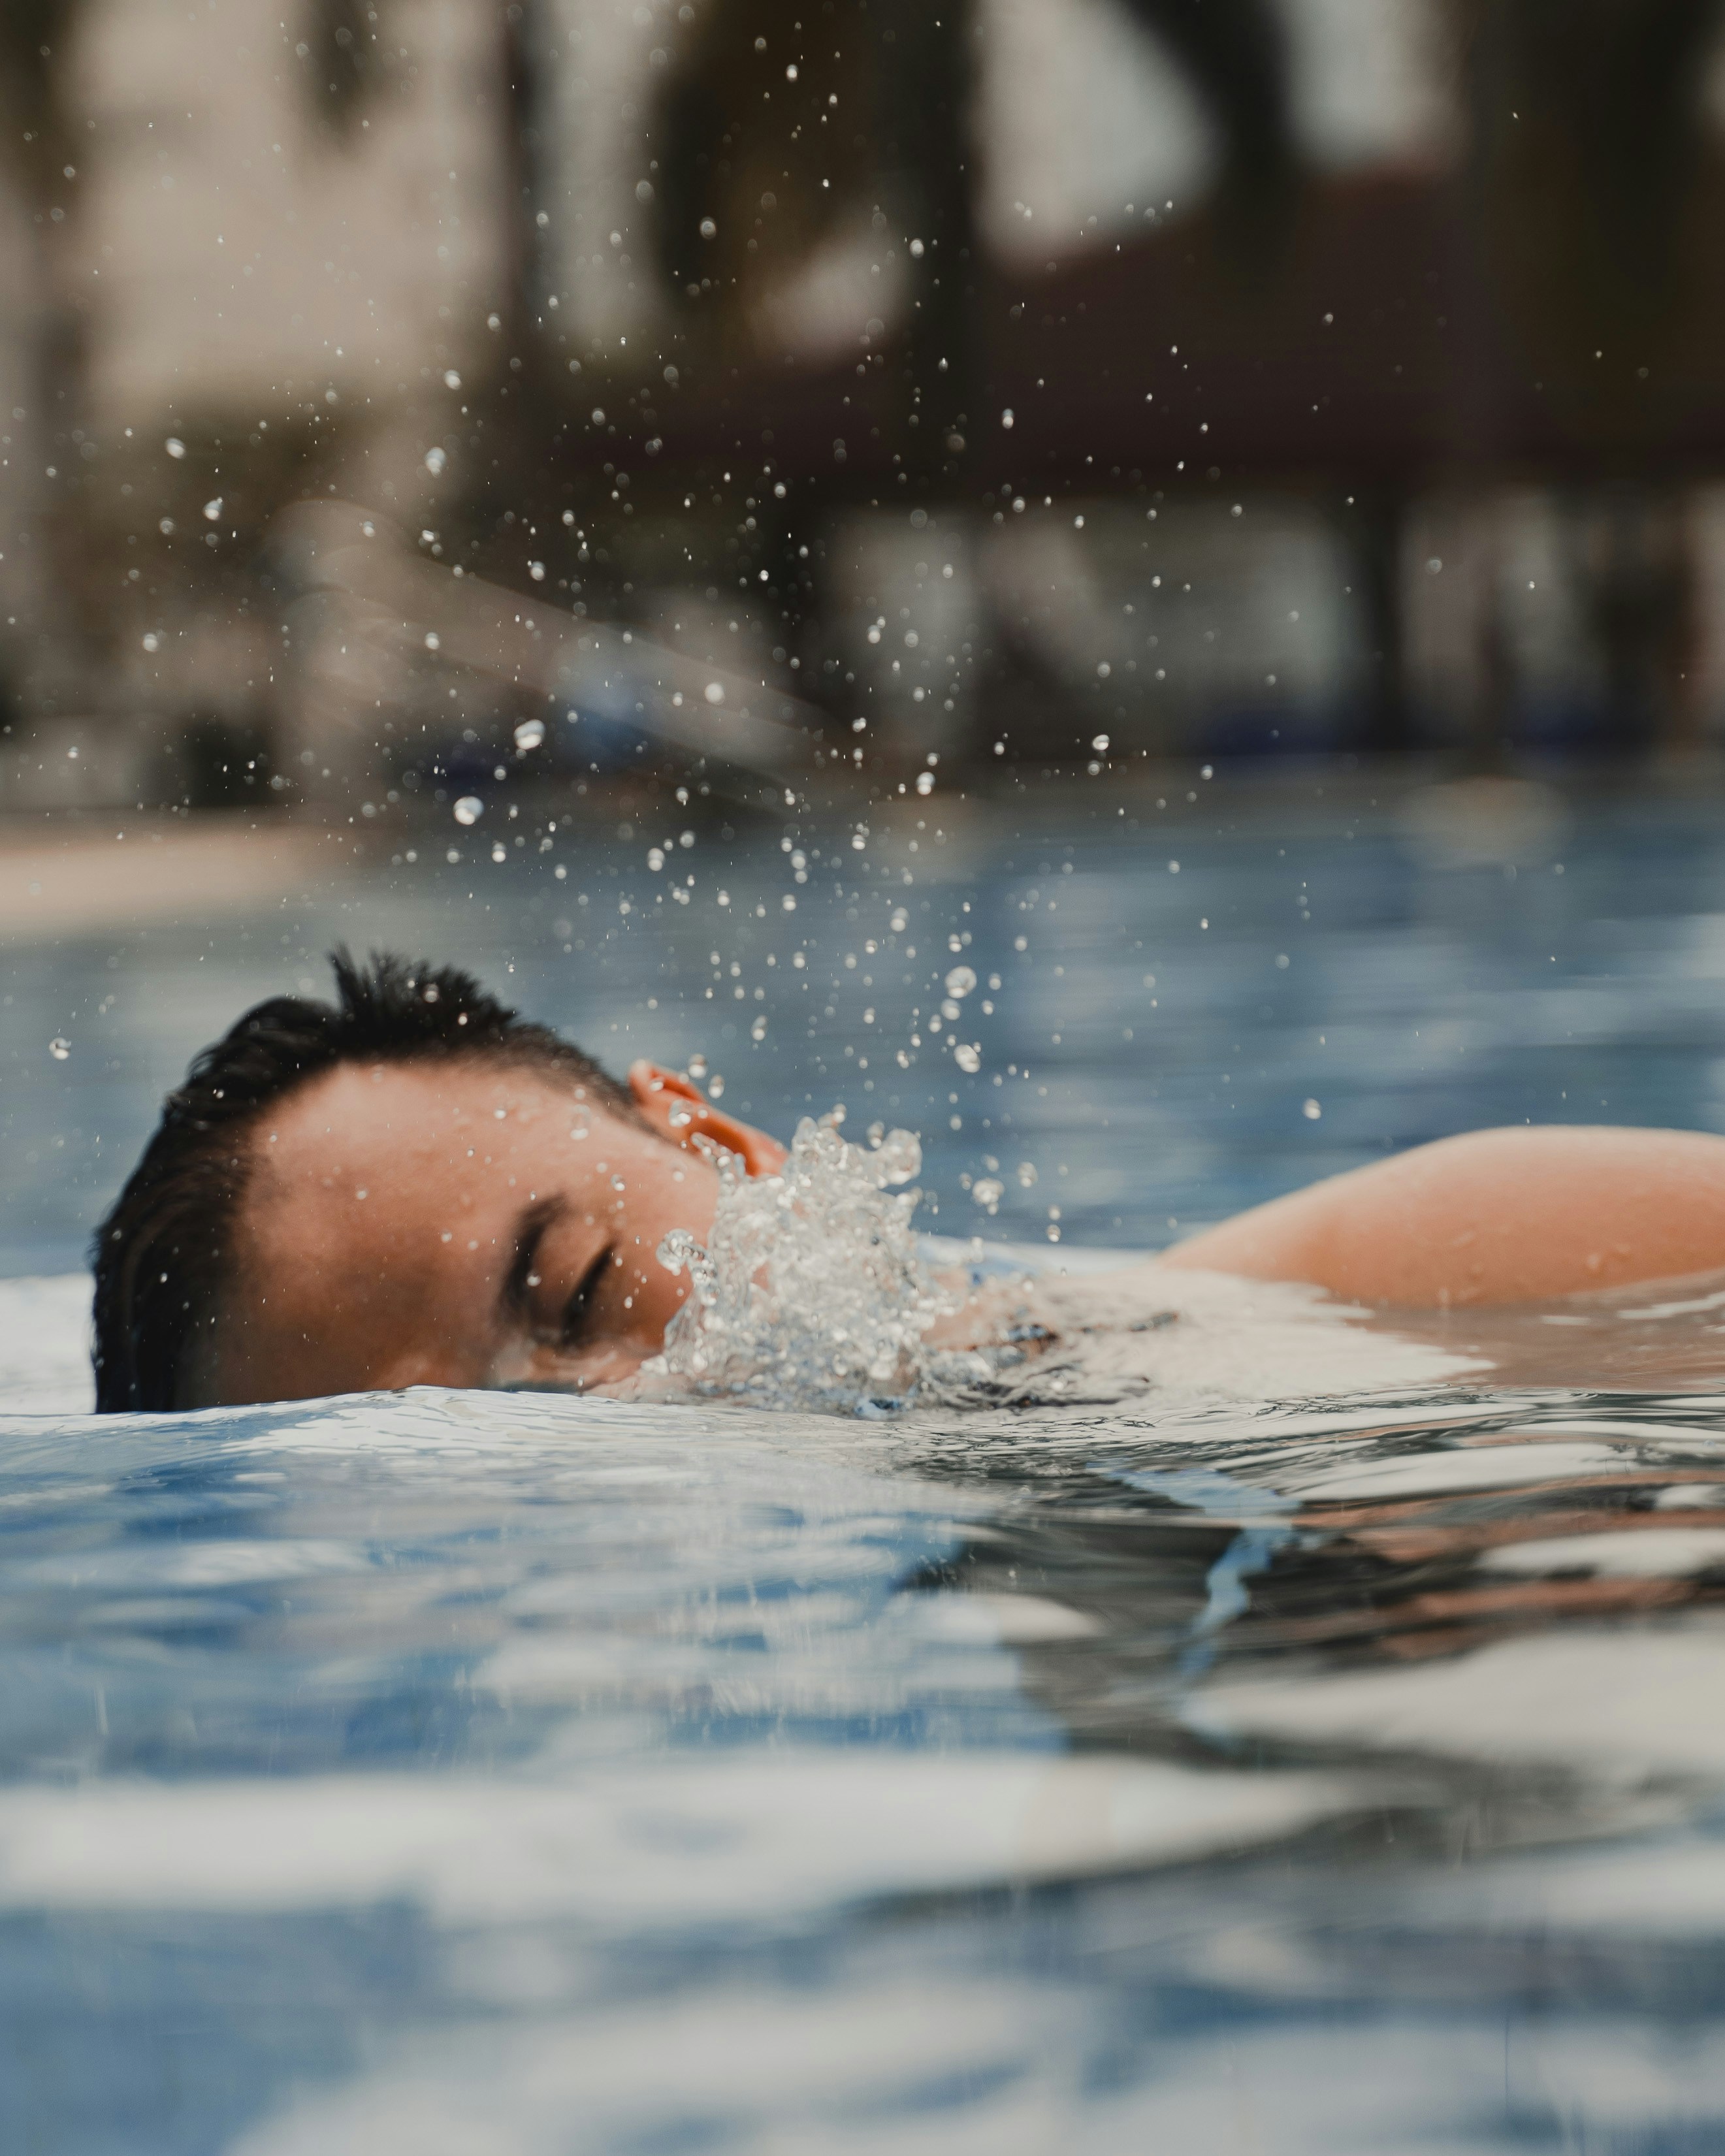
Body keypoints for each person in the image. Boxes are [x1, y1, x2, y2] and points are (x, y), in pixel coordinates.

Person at [92, 950, 1725, 1413]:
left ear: (716, 1143)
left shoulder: (1421, 1260)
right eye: (456, 1457)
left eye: (578, 1291)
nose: (598, 1412)